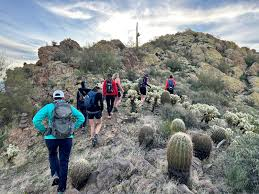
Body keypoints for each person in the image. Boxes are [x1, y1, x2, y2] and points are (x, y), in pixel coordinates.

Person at [32, 90, 85, 194]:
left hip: (51, 138)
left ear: (53, 98)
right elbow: (81, 118)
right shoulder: (69, 107)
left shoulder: (48, 107)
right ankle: (61, 189)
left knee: (52, 155)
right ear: (63, 97)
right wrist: (72, 129)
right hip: (67, 138)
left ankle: (55, 174)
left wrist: (44, 130)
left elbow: (35, 120)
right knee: (64, 162)